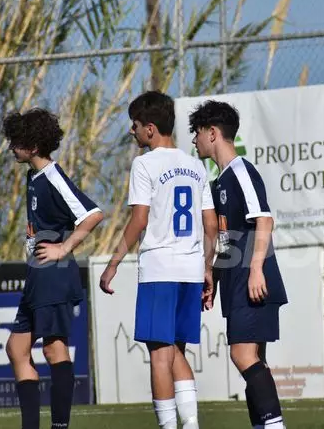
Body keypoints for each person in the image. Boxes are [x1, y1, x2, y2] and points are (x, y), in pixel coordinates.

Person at [99, 91, 217, 429]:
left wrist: (113, 264)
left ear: (150, 128)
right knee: (177, 351)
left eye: (134, 125)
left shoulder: (144, 164)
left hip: (160, 269)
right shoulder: (195, 165)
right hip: (190, 269)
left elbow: (139, 219)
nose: (131, 131)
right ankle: (190, 424)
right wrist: (207, 268)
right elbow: (211, 225)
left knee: (160, 356)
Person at [188, 100, 288, 429]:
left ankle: (274, 426)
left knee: (242, 355)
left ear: (212, 133)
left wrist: (256, 268)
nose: (194, 140)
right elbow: (227, 239)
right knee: (254, 359)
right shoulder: (221, 181)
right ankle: (264, 424)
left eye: (197, 133)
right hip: (236, 279)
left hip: (251, 277)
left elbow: (264, 219)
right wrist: (214, 276)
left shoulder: (241, 170)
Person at [2, 108, 104, 429]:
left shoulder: (53, 176)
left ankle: (60, 426)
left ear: (33, 146)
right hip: (38, 275)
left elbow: (93, 214)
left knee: (53, 349)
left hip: (54, 275)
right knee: (17, 348)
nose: (11, 147)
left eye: (16, 141)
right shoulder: (33, 176)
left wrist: (63, 247)